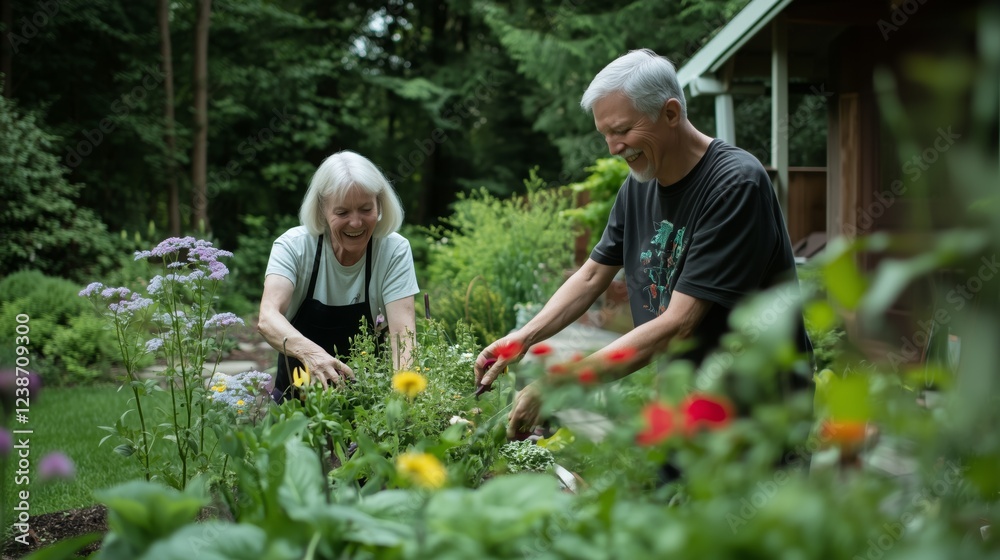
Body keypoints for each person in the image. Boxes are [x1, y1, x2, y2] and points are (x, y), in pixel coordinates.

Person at [475, 49, 813, 438]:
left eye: (621, 131)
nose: (613, 148)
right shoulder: (638, 188)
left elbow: (678, 324)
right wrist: (522, 338)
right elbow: (591, 277)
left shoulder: (735, 184)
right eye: (605, 134)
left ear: (670, 113)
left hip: (759, 412)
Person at [259, 150, 419, 399]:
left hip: (366, 404)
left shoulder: (393, 250)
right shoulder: (294, 246)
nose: (356, 223)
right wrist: (313, 354)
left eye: (366, 209)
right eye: (342, 213)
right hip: (296, 404)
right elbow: (268, 317)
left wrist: (404, 402)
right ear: (322, 209)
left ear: (379, 204)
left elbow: (403, 337)